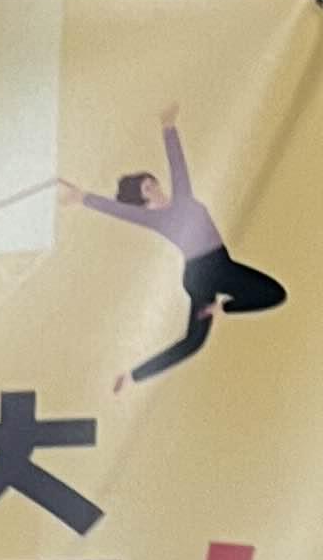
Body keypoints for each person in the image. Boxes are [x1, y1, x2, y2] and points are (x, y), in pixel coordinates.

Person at [64, 110, 287, 389]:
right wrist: (83, 198)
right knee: (268, 296)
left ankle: (131, 376)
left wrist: (168, 127)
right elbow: (120, 211)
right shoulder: (154, 218)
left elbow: (178, 167)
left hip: (214, 267)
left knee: (196, 340)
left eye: (151, 183)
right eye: (147, 191)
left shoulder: (182, 196)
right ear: (144, 203)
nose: (154, 189)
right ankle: (138, 374)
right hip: (205, 271)